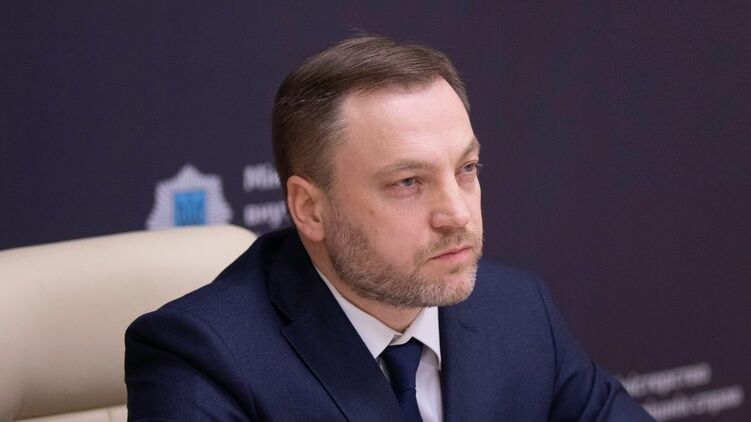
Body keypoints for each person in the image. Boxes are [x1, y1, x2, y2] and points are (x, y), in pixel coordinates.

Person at [125, 35, 655, 421]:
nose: (457, 214)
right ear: (309, 209)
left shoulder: (517, 310)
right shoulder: (205, 358)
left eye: (466, 168)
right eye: (407, 182)